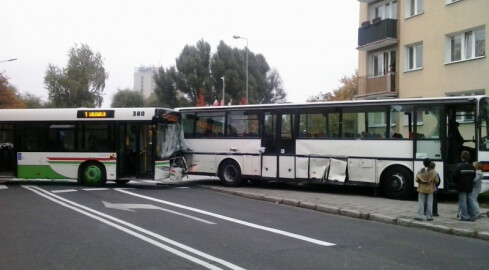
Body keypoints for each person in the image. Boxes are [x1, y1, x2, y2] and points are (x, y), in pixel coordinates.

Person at [452, 151, 477, 221]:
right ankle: (473, 215)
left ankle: (464, 216)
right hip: (469, 186)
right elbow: (474, 176)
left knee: (462, 201)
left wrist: (456, 183)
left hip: (461, 186)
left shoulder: (458, 166)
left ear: (461, 157)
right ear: (468, 157)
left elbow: (454, 176)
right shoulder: (472, 166)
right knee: (470, 200)